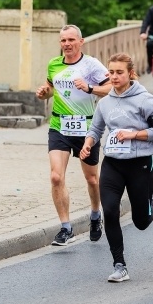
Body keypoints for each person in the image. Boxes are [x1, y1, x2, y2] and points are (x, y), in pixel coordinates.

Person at [80, 53, 153, 282]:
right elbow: (95, 130)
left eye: (119, 72)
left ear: (130, 73)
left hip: (140, 163)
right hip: (113, 164)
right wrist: (88, 144)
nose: (114, 76)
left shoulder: (146, 100)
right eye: (111, 72)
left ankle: (152, 200)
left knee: (140, 222)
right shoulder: (105, 102)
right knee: (109, 210)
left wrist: (134, 134)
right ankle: (119, 264)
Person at [35, 25, 110, 246]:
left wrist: (89, 88)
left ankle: (95, 215)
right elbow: (51, 88)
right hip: (59, 126)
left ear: (81, 41)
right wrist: (44, 93)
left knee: (92, 179)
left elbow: (112, 88)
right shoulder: (54, 64)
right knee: (56, 177)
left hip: (86, 128)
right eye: (63, 41)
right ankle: (66, 228)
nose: (66, 44)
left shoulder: (91, 65)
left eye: (71, 40)